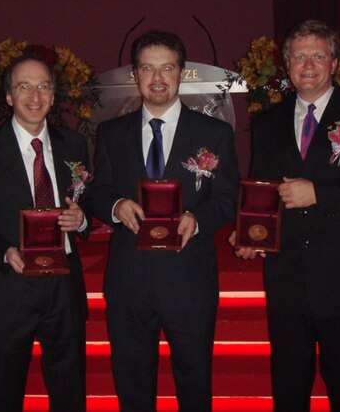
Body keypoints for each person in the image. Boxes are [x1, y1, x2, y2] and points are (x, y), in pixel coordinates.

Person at [230, 20, 340, 412]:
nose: (308, 64)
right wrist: (250, 232)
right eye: (299, 56)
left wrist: (318, 193)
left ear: (335, 63)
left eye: (318, 55)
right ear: (287, 64)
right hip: (288, 281)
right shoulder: (268, 122)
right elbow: (265, 191)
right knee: (289, 394)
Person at [91, 30, 239, 412]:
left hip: (189, 278)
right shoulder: (111, 134)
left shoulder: (215, 134)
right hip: (129, 280)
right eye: (147, 68)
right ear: (136, 75)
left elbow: (226, 198)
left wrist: (197, 217)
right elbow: (96, 191)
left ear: (181, 72)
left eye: (167, 68)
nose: (157, 78)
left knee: (194, 381)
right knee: (133, 382)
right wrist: (116, 205)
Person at [0, 54, 90, 412]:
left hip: (63, 287)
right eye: (24, 87)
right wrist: (5, 251)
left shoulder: (73, 145)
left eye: (43, 86)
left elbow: (87, 202)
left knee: (70, 391)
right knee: (3, 393)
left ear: (54, 95)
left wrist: (83, 220)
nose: (35, 96)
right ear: (9, 96)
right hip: (6, 287)